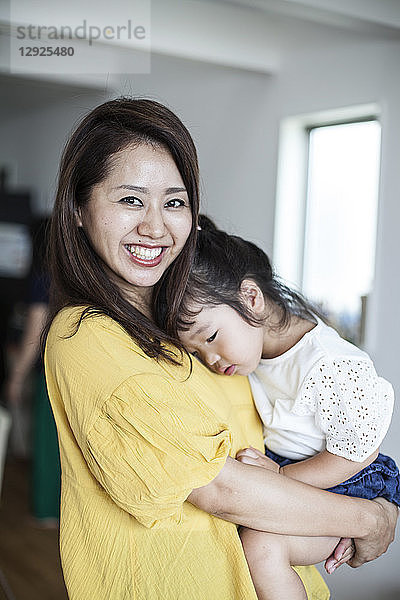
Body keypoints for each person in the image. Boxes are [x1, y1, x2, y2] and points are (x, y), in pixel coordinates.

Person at [43, 98, 397, 600]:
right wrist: (372, 516)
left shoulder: (181, 323)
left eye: (174, 201)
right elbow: (220, 487)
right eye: (129, 200)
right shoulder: (85, 336)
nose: (155, 226)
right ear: (79, 209)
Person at [175, 215, 400, 600]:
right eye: (197, 351)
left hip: (350, 481)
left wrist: (280, 476)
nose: (210, 358)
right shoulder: (256, 354)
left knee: (262, 545)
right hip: (298, 474)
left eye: (210, 337)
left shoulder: (328, 365)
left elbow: (356, 454)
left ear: (251, 298)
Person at [5, 218, 60, 526]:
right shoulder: (85, 277)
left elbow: (33, 338)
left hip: (51, 374)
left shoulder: (44, 280)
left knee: (46, 443)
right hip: (83, 373)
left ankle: (46, 511)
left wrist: (15, 378)